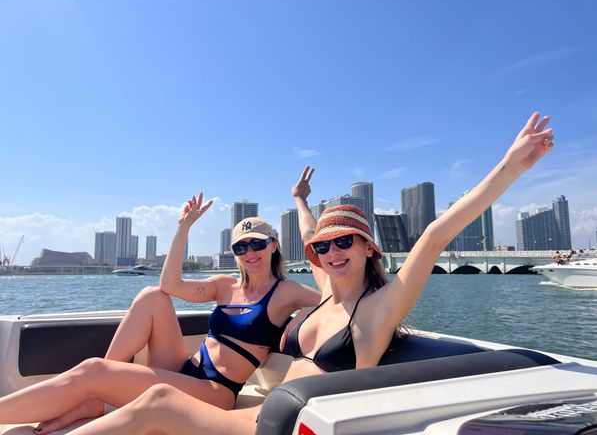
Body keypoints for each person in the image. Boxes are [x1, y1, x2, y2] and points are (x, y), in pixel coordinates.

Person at [64, 112, 553, 434]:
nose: (333, 251)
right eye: (324, 246)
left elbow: (436, 235)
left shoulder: (379, 308)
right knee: (149, 397)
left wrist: (510, 167)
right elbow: (307, 231)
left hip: (278, 422)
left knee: (158, 403)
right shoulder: (325, 293)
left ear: (369, 249)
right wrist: (299, 200)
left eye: (346, 242)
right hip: (268, 406)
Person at [0, 192, 321, 434]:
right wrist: (184, 227)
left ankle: (93, 391)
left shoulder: (286, 291)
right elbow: (169, 284)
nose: (249, 253)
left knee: (93, 371)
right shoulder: (225, 286)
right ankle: (96, 396)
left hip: (216, 391)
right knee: (153, 296)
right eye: (240, 247)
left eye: (257, 244)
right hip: (186, 369)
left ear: (273, 246)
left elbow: (332, 299)